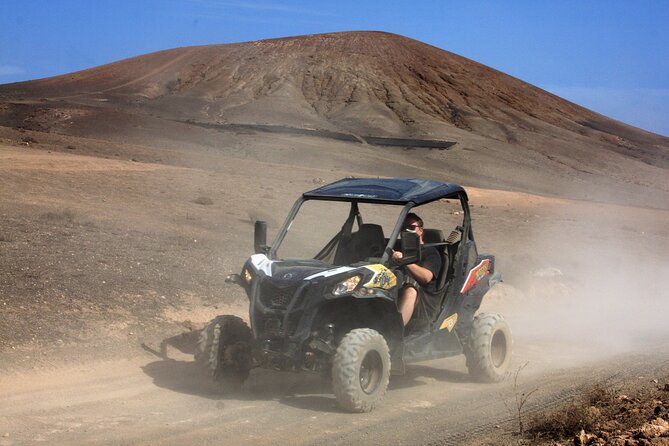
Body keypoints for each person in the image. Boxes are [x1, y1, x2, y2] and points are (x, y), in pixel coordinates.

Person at [392, 213, 442, 326]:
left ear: (420, 230)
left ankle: (397, 332)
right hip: (395, 292)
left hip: (422, 301)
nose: (406, 231)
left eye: (411, 228)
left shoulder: (430, 252)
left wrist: (404, 261)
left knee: (410, 288)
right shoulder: (396, 249)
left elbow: (426, 277)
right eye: (403, 228)